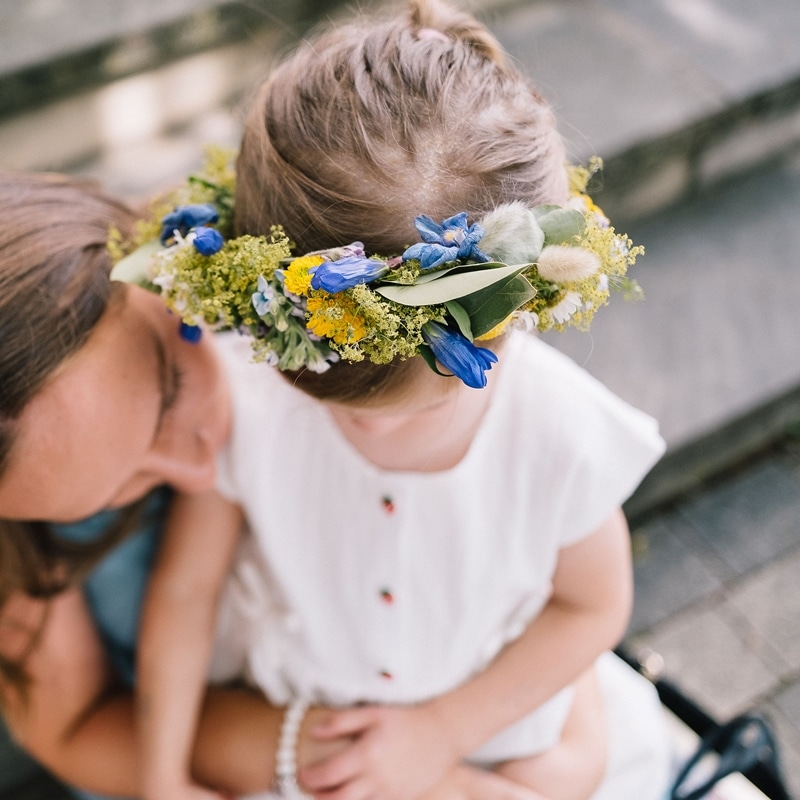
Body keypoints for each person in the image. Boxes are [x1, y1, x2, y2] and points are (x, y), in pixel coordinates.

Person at [132, 1, 672, 799]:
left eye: (415, 408)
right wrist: (161, 778)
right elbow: (186, 588)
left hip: (484, 736)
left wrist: (446, 733)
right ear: (275, 322)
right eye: (332, 405)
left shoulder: (558, 432)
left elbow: (592, 608)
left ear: (502, 325)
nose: (353, 425)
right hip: (292, 731)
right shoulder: (245, 395)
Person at [0, 175, 619, 800]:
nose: (198, 473)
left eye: (168, 392)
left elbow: (556, 582)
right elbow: (80, 720)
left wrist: (545, 740)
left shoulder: (292, 291)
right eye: (116, 490)